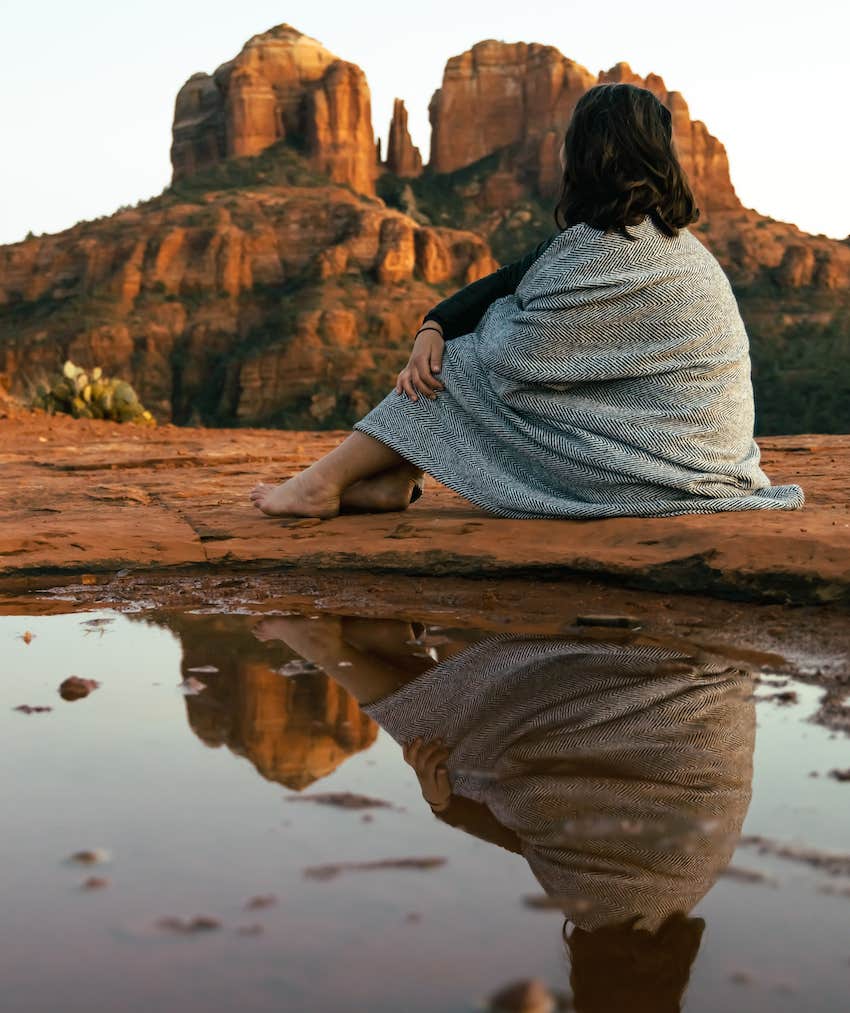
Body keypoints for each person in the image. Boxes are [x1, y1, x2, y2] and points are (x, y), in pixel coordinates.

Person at [250, 83, 804, 520]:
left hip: (660, 470)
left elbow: (512, 357)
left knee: (464, 365)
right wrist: (433, 324)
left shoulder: (602, 253)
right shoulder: (663, 241)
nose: (558, 147)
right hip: (709, 456)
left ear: (591, 152)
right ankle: (392, 478)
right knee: (460, 347)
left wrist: (449, 341)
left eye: (570, 136)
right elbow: (511, 278)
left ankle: (320, 485)